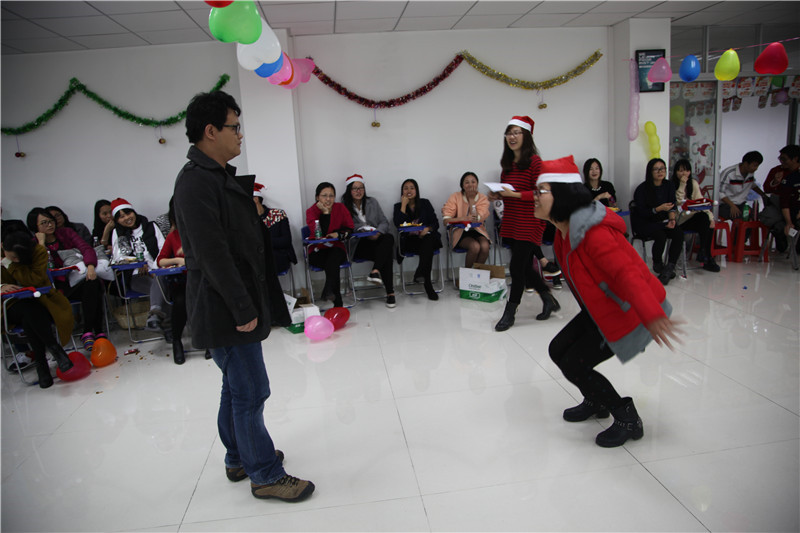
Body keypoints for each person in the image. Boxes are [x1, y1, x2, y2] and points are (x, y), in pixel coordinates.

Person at [173, 90, 312, 502]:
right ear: (210, 131)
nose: (240, 135)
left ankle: (238, 457)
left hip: (231, 300)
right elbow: (212, 254)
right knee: (251, 390)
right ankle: (265, 474)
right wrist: (241, 307)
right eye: (235, 127)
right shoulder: (195, 182)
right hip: (224, 305)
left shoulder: (215, 176)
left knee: (235, 387)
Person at [534, 155, 681, 448]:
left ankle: (627, 417)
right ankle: (596, 400)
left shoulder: (592, 233)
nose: (535, 197)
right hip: (601, 309)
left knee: (575, 364)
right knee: (557, 350)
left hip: (628, 311)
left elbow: (627, 274)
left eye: (541, 191)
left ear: (562, 195)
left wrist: (652, 314)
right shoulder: (564, 231)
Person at [488, 115, 559, 331]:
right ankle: (547, 298)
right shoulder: (507, 165)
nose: (512, 137)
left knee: (516, 267)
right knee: (524, 266)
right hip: (512, 220)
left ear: (526, 136)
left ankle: (510, 312)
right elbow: (508, 193)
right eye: (509, 133)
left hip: (531, 221)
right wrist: (498, 195)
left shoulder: (535, 162)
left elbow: (541, 193)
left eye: (516, 133)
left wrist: (515, 195)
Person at [26, 207, 107, 351]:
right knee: (92, 287)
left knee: (93, 283)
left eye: (51, 221)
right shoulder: (33, 245)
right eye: (44, 223)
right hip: (55, 289)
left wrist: (90, 266)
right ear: (35, 226)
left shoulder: (66, 233)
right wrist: (41, 244)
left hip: (76, 280)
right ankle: (97, 331)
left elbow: (86, 248)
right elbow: (38, 269)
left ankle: (89, 331)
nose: (50, 225)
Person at [2, 231, 75, 388]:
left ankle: (42, 365)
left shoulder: (38, 252)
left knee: (30, 312)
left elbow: (34, 280)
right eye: (12, 257)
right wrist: (1, 286)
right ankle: (54, 348)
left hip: (41, 301)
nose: (16, 261)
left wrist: (10, 265)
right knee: (29, 309)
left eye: (18, 258)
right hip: (9, 305)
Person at [155, 198, 211, 365]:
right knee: (180, 301)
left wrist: (190, 256)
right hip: (182, 282)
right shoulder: (173, 236)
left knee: (205, 298)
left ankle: (208, 339)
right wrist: (178, 260)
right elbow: (160, 260)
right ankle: (177, 341)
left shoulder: (202, 232)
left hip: (203, 280)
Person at [109, 198, 167, 333]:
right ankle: (166, 326)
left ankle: (156, 318)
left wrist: (154, 268)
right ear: (117, 221)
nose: (126, 218)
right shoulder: (118, 233)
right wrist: (139, 263)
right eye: (121, 217)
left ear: (133, 212)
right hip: (136, 276)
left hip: (158, 271)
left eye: (128, 213)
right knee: (164, 291)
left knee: (161, 283)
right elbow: (118, 257)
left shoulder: (151, 226)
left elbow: (163, 249)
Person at [341, 174, 396, 308]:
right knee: (386, 252)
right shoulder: (343, 207)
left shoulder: (373, 202)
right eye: (355, 188)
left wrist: (377, 232)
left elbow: (384, 222)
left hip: (376, 241)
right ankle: (390, 292)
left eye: (361, 188)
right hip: (359, 245)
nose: (358, 191)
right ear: (349, 190)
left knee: (388, 238)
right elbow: (346, 227)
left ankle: (375, 271)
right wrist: (365, 231)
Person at [631, 158, 683, 285]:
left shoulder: (669, 185)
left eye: (662, 169)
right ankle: (658, 264)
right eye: (656, 169)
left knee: (678, 233)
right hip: (644, 223)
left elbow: (672, 205)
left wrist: (672, 219)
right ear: (650, 171)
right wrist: (658, 209)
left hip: (662, 222)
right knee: (661, 235)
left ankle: (669, 267)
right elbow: (641, 212)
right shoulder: (642, 189)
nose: (660, 172)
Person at [393, 178, 443, 301]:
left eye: (412, 188)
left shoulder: (425, 203)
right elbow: (398, 225)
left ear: (416, 190)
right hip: (410, 242)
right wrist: (403, 205)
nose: (409, 191)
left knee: (428, 241)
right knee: (427, 249)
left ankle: (422, 274)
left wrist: (428, 228)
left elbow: (435, 223)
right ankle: (426, 283)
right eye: (406, 188)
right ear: (402, 192)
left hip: (426, 238)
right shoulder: (398, 206)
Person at [306, 182, 353, 309]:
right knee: (332, 262)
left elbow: (349, 228)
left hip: (336, 249)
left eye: (331, 196)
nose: (328, 199)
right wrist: (325, 213)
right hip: (318, 251)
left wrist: (338, 233)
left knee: (333, 257)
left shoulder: (340, 208)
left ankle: (331, 292)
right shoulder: (311, 211)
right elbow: (319, 233)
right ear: (317, 197)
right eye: (324, 196)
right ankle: (337, 301)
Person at [670, 159, 720, 272]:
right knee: (704, 221)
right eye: (680, 171)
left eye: (686, 170)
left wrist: (711, 218)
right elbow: (678, 201)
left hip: (693, 217)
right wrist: (682, 184)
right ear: (676, 172)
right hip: (679, 220)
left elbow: (701, 202)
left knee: (706, 220)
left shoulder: (693, 183)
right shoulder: (671, 184)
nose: (684, 173)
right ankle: (707, 257)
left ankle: (704, 252)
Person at [442, 172, 491, 268]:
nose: (470, 185)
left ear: (477, 184)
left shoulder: (482, 198)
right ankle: (467, 274)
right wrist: (462, 219)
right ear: (462, 185)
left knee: (485, 246)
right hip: (460, 232)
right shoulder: (455, 196)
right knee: (475, 246)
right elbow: (446, 221)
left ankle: (477, 274)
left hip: (477, 230)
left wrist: (472, 200)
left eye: (473, 182)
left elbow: (476, 219)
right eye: (467, 182)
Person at [252, 183, 298, 276]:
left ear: (255, 199)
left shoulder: (278, 214)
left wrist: (263, 242)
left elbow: (286, 241)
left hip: (279, 256)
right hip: (258, 259)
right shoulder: (247, 220)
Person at [718, 151, 766, 220]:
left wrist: (763, 194)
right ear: (746, 164)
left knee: (756, 217)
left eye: (758, 166)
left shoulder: (750, 173)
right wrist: (732, 205)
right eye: (755, 165)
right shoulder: (729, 173)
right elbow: (719, 192)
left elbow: (751, 184)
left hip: (742, 204)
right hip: (725, 205)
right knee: (742, 219)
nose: (756, 168)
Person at [778, 145, 800, 254]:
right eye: (780, 159)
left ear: (795, 159)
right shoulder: (788, 177)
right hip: (792, 214)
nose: (781, 162)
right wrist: (789, 222)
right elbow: (784, 202)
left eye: (784, 159)